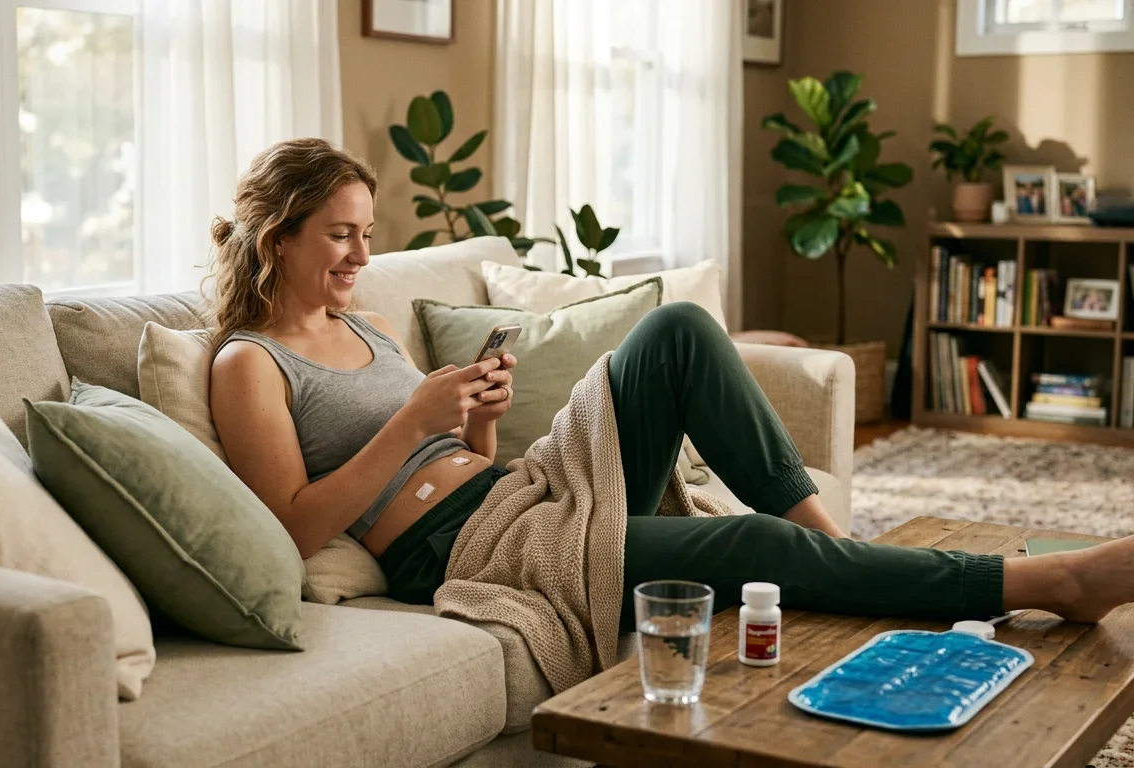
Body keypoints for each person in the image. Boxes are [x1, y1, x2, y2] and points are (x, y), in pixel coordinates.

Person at [206, 138, 1134, 631]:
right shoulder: (250, 363)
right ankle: (1047, 581)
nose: (365, 254)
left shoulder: (362, 326)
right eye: (341, 234)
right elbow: (291, 525)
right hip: (463, 552)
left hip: (512, 491)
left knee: (680, 331)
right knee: (749, 546)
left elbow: (458, 456)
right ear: (278, 236)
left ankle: (834, 546)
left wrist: (475, 418)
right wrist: (413, 420)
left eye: (368, 231)